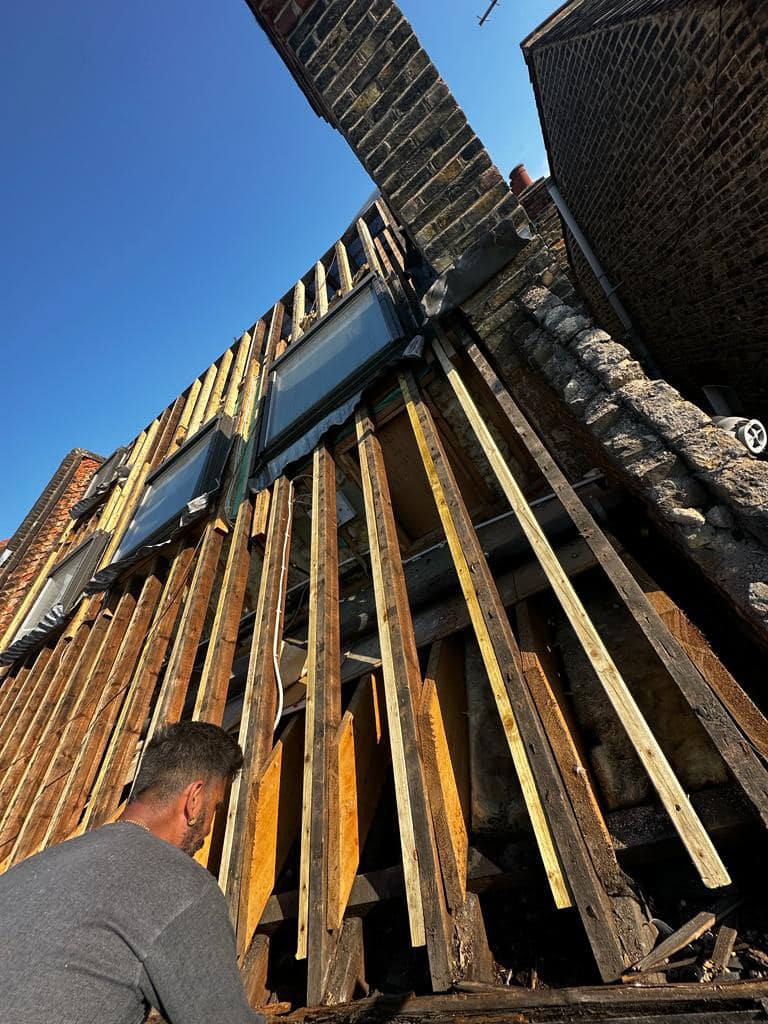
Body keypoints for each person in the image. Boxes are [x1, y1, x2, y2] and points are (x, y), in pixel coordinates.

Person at [0, 721, 266, 1024]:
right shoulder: (179, 885)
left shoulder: (29, 871)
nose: (208, 829)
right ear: (195, 800)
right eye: (215, 807)